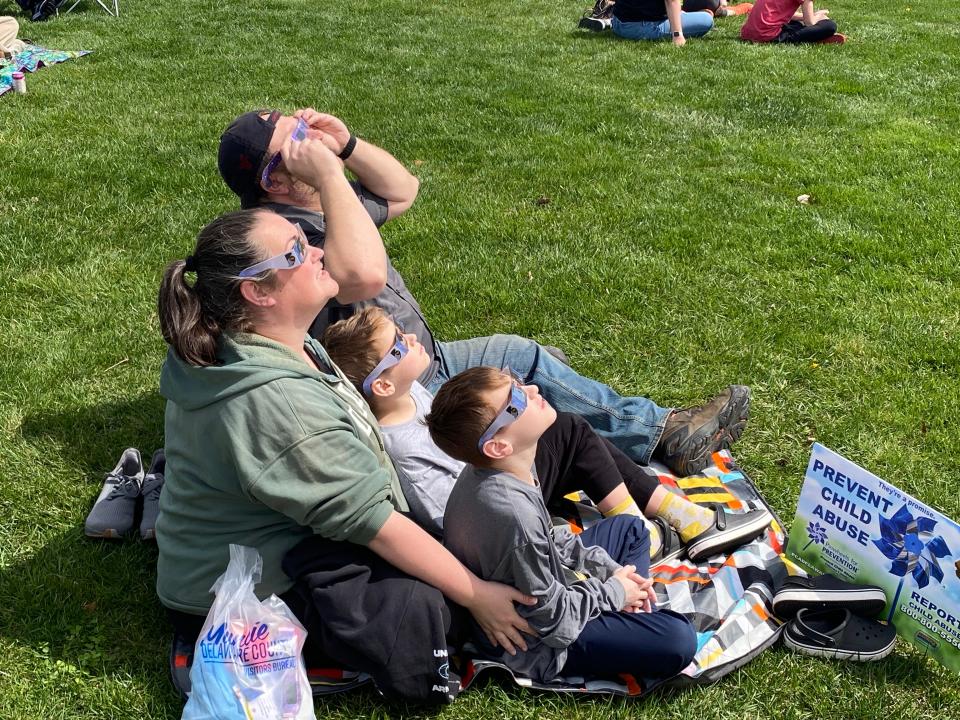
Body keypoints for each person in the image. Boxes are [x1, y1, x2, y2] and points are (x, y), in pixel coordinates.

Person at [155, 132, 540, 703]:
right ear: (256, 293)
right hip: (245, 591)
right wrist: (476, 593)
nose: (315, 250)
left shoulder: (263, 341)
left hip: (261, 546)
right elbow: (375, 527)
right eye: (294, 251)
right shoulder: (276, 402)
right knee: (431, 605)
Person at [217, 107, 751, 476]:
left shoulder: (319, 200)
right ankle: (662, 435)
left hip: (413, 351)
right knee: (525, 358)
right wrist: (332, 178)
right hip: (398, 379)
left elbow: (402, 191)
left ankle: (575, 417)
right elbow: (362, 277)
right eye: (298, 143)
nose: (311, 143)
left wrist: (347, 145)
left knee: (533, 370)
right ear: (276, 180)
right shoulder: (287, 234)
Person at [322, 307, 772, 560]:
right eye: (399, 345)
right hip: (503, 509)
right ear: (381, 384)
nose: (413, 338)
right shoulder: (402, 443)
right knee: (570, 432)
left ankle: (665, 516)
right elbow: (452, 519)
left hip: (498, 479)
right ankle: (646, 531)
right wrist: (516, 471)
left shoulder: (411, 397)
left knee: (566, 433)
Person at [424, 366, 699, 685]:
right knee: (680, 640)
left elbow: (550, 539)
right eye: (516, 399)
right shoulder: (513, 513)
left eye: (516, 381)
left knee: (630, 528)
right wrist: (612, 592)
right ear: (498, 445)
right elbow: (554, 619)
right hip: (540, 642)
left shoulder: (507, 469)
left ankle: (630, 611)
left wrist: (612, 573)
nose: (532, 391)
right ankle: (630, 618)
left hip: (548, 590)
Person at [740, 0, 845, 44]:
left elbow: (782, 14)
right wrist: (819, 16)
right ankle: (814, 37)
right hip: (766, 36)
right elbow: (810, 23)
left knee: (796, 24)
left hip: (748, 32)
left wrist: (812, 16)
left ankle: (809, 34)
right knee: (830, 25)